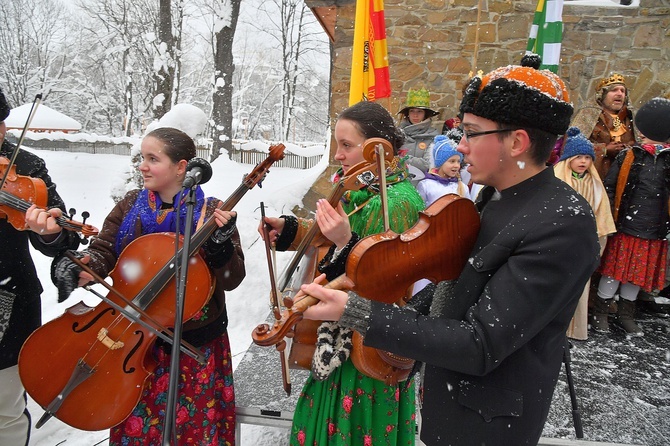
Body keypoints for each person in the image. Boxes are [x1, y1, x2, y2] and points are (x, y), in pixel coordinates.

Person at [298, 56, 601, 445]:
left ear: (517, 141)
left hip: (487, 425)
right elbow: (450, 288)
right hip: (451, 410)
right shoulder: (496, 197)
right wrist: (379, 299)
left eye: (471, 133)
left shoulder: (563, 222)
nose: (461, 147)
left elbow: (480, 343)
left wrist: (359, 313)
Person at [51, 127, 245, 445]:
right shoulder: (130, 206)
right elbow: (104, 253)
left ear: (182, 167)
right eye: (142, 157)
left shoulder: (211, 212)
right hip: (135, 346)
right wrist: (84, 266)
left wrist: (220, 247)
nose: (142, 165)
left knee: (192, 429)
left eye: (152, 159)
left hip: (195, 347)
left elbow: (232, 278)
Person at [260, 101, 425, 446]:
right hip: (337, 337)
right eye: (338, 144)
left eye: (346, 145)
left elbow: (381, 275)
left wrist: (345, 241)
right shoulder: (362, 190)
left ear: (377, 148)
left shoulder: (398, 201)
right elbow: (331, 233)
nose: (338, 155)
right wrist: (289, 230)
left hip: (368, 343)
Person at [0, 88, 81, 445]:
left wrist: (49, 233)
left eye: (0, 123)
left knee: (5, 409)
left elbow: (63, 237)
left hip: (9, 299)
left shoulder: (26, 167)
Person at [593, 97, 670, 336]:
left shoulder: (668, 160)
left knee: (636, 275)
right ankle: (601, 312)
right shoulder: (630, 156)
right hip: (625, 226)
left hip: (653, 228)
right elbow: (610, 186)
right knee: (613, 273)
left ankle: (627, 313)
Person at [553, 127, 616, 340]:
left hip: (582, 243)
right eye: (578, 156)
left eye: (588, 158)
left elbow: (602, 215)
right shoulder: (557, 181)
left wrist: (595, 239)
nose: (583, 162)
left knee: (578, 286)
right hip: (560, 243)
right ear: (568, 158)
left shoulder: (594, 184)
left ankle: (574, 328)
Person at [571, 73, 636, 179]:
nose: (619, 94)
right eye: (614, 90)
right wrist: (604, 150)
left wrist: (627, 149)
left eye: (622, 91)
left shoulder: (630, 118)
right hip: (593, 177)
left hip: (623, 177)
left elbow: (640, 145)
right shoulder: (587, 114)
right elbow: (572, 145)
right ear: (603, 94)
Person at [397, 87, 440, 178]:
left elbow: (428, 164)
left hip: (422, 185)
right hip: (400, 185)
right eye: (412, 111)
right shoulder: (398, 134)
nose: (415, 115)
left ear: (425, 114)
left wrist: (402, 159)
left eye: (419, 111)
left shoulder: (433, 137)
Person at [417, 134, 471, 206]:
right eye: (452, 161)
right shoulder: (426, 185)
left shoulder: (462, 187)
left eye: (458, 161)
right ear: (440, 163)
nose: (457, 165)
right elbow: (420, 211)